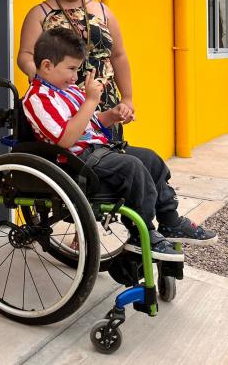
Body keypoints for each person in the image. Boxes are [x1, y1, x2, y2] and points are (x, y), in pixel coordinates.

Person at [22, 27, 217, 261]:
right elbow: (65, 139)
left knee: (151, 159)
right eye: (71, 69)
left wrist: (112, 115)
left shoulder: (69, 90)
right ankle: (139, 234)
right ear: (46, 66)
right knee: (132, 168)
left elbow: (91, 122)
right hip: (74, 161)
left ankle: (170, 220)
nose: (76, 76)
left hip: (98, 151)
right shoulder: (38, 98)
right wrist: (91, 100)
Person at [17, 0, 134, 137]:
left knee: (111, 158)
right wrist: (39, 76)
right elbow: (26, 55)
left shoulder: (103, 10)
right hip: (64, 103)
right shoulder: (40, 13)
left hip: (105, 103)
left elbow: (119, 56)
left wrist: (127, 98)